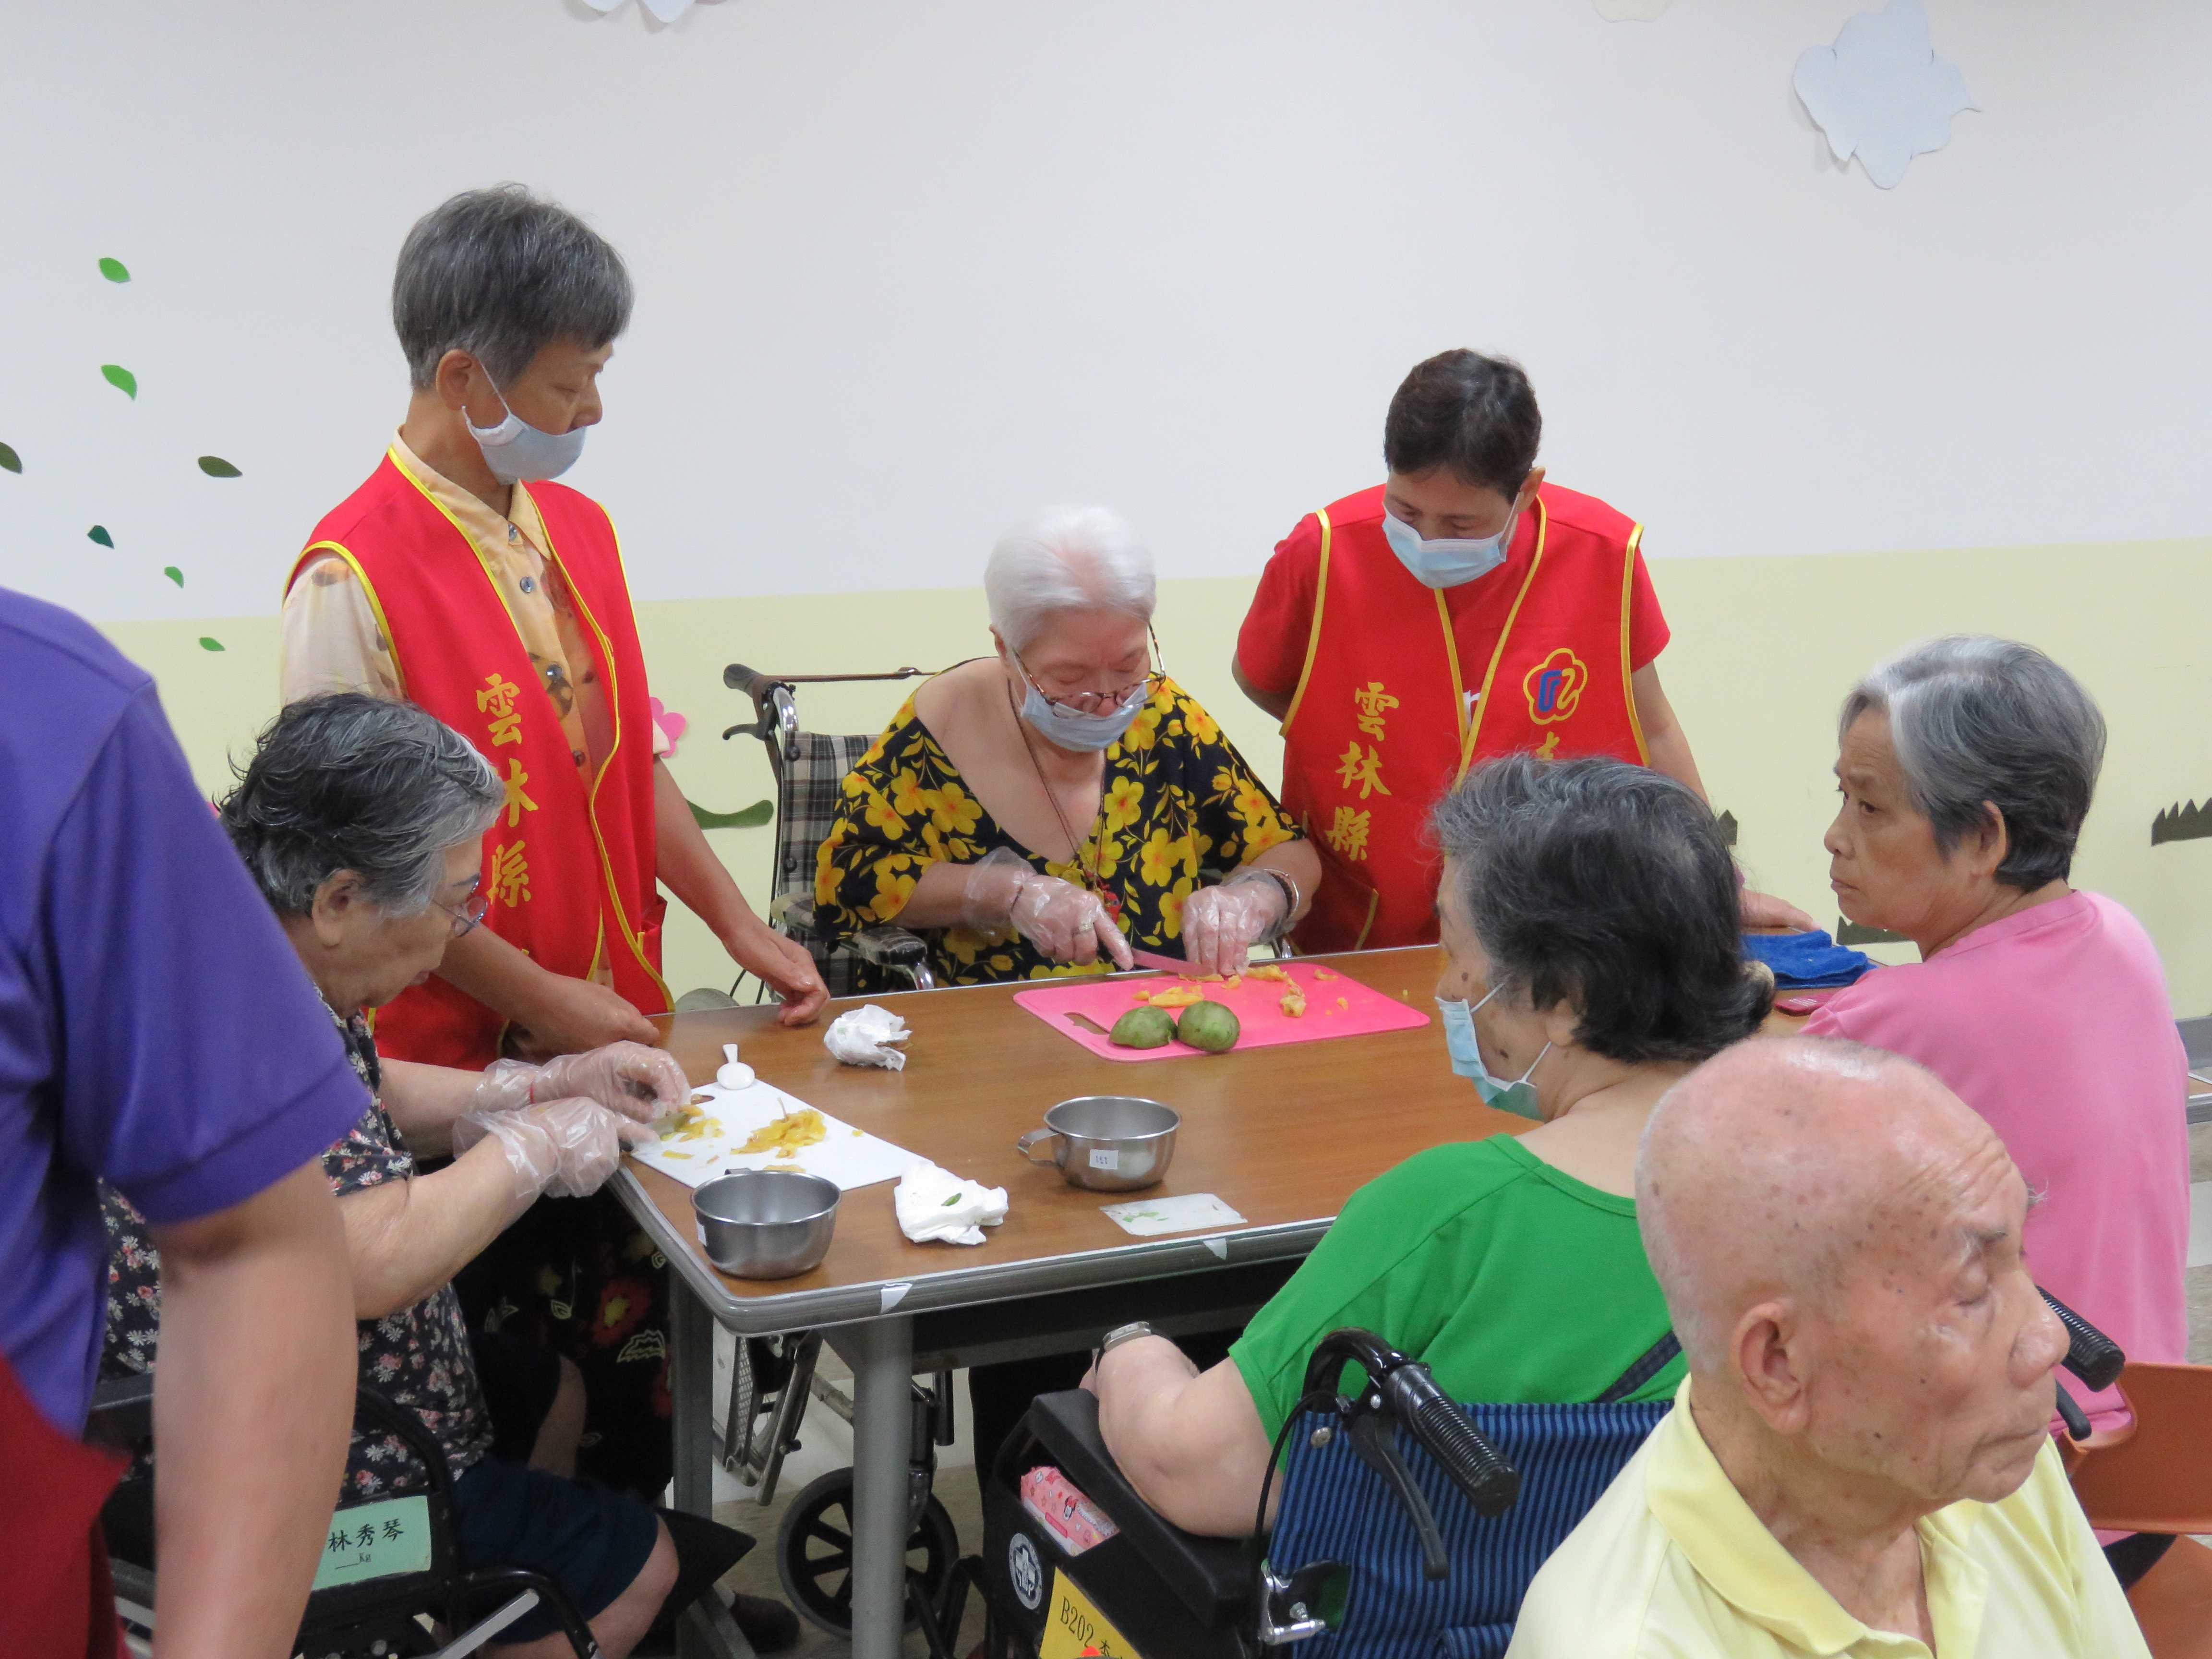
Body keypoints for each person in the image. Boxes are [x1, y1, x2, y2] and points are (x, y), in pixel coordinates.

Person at [279, 183, 822, 1501]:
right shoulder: (350, 576)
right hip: (467, 1069)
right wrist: (546, 1009)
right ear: (468, 378)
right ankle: (556, 1604)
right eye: (571, 386)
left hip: (603, 1024)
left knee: (649, 1355)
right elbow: (357, 888)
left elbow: (630, 769)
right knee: (525, 1395)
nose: (591, 417)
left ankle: (654, 1590)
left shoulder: (575, 530)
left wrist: (742, 929)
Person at [97, 695, 796, 1658]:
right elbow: (377, 1257)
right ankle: (464, 1601)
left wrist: (529, 1086)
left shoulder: (249, 941)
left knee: (555, 1389)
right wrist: (533, 1147)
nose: (457, 935)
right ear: (341, 898)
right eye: (454, 905)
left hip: (305, 1382)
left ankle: (468, 1613)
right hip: (288, 1455)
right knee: (646, 1569)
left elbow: (360, 1089)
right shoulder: (233, 1022)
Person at [1087, 755, 1773, 1535]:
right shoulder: (1809, 1185)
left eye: (1456, 953)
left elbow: (1198, 1473)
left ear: (1561, 998)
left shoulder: (1451, 1210)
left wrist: (1129, 1356)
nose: (1448, 991)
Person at [1509, 1036, 2148, 1658]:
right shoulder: (1628, 1640)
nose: (2049, 1339)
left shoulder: (1985, 1461)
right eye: (1974, 1291)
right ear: (1780, 1363)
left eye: (2021, 1256)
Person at [0, 587, 360, 1659]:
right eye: (454, 897)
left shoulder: (48, 719)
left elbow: (257, 1246)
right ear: (344, 901)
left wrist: (515, 1100)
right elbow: (360, 1239)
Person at [1232, 348, 1810, 952]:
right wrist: (1389, 735)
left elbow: (1653, 725)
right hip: (1369, 920)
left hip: (1552, 921)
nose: (1427, 539)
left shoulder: (1601, 555)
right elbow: (1263, 679)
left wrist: (1715, 885)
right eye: (1405, 510)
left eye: (1459, 525)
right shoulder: (1322, 554)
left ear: (1528, 489)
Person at [1805, 640, 2186, 1465]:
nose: (1834, 837)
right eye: (1842, 798)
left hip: (2011, 1493)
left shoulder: (1888, 1021)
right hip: (2151, 1459)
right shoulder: (2117, 935)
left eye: (1869, 809)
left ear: (1982, 836)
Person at [814, 504, 1322, 986]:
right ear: (1004, 650)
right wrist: (1008, 893)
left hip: (1160, 1019)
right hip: (995, 1040)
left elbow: (1288, 849)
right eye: (1070, 677)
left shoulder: (1162, 717)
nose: (1106, 702)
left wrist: (1257, 898)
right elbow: (849, 879)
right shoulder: (942, 727)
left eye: (1128, 666)